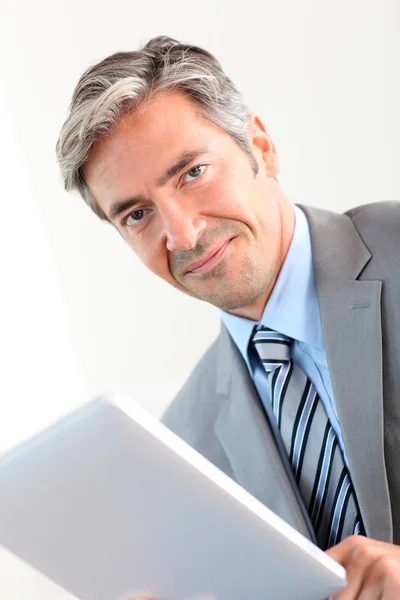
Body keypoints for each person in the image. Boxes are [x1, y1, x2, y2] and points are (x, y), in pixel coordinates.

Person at [56, 36, 400, 598]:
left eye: (191, 173)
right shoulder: (182, 447)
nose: (184, 234)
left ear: (260, 147)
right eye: (138, 214)